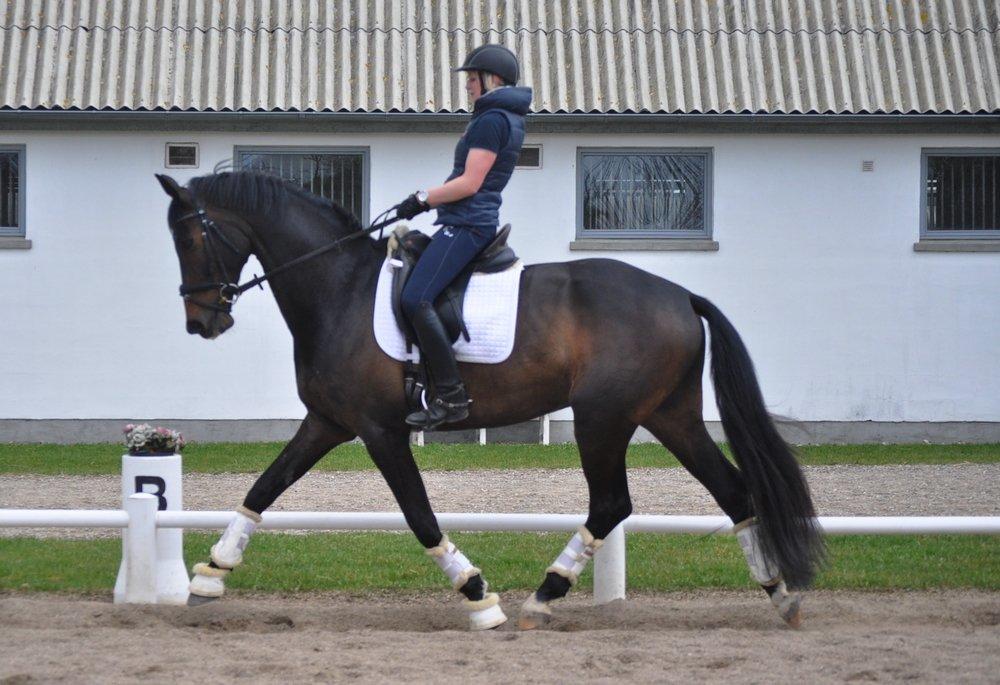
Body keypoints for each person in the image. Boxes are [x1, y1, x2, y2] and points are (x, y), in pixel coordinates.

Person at [393, 44, 532, 430]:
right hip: (466, 219)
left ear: (493, 80)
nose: (468, 84)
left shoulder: (492, 120)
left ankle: (451, 396)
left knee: (415, 297)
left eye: (473, 77)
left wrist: (422, 198)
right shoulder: (502, 117)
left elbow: (470, 183)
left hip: (469, 223)